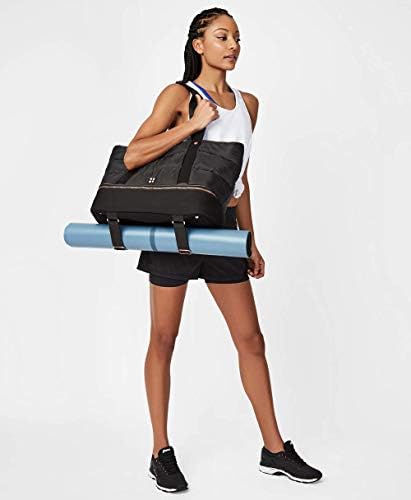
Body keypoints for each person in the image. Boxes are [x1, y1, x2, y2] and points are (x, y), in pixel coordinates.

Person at [124, 7, 323, 493]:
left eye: (237, 38)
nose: (233, 45)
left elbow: (241, 177)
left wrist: (250, 238)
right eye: (222, 36)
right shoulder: (178, 96)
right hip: (173, 229)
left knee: (251, 340)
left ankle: (273, 449)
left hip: (222, 231)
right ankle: (160, 451)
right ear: (198, 45)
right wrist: (191, 125)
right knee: (164, 339)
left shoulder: (248, 104)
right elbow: (132, 155)